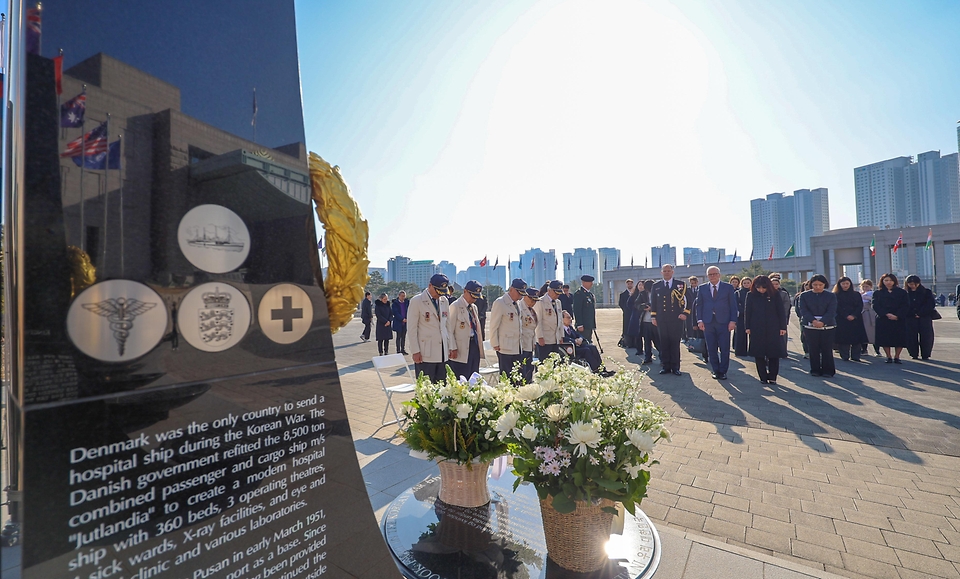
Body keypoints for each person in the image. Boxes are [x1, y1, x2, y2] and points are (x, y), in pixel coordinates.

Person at [407, 273, 452, 382]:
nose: (439, 294)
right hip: (425, 352)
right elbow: (412, 329)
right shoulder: (417, 301)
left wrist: (451, 346)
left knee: (442, 387)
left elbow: (448, 325)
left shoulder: (444, 300)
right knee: (426, 389)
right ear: (430, 286)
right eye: (437, 291)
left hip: (442, 351)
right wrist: (415, 351)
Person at [696, 266, 738, 380]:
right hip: (708, 322)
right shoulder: (702, 288)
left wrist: (733, 321)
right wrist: (699, 321)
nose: (712, 276)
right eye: (710, 274)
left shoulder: (728, 287)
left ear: (719, 275)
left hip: (724, 322)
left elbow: (733, 306)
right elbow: (699, 305)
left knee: (724, 348)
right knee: (711, 348)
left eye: (714, 274)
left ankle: (723, 371)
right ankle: (715, 370)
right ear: (707, 276)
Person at [651, 264, 693, 376]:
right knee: (664, 343)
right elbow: (654, 303)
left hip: (676, 319)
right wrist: (653, 317)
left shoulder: (680, 285)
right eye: (664, 271)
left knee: (675, 343)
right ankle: (665, 366)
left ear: (672, 272)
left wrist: (685, 313)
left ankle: (675, 367)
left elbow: (689, 300)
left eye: (669, 271)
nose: (667, 273)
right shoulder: (656, 286)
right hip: (661, 319)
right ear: (661, 273)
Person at [744, 275, 787, 384]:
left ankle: (772, 376)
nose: (761, 290)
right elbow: (747, 312)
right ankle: (763, 376)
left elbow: (781, 312)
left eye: (764, 288)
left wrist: (783, 327)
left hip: (773, 327)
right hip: (756, 328)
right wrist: (747, 327)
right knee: (759, 353)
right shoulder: (751, 295)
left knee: (773, 353)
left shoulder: (775, 294)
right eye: (759, 288)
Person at [798, 274, 838, 377]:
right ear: (811, 284)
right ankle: (815, 369)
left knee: (826, 348)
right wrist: (813, 321)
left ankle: (828, 371)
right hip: (810, 326)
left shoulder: (831, 296)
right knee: (813, 348)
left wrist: (823, 321)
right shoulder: (804, 295)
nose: (818, 287)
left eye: (820, 285)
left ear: (825, 284)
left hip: (828, 326)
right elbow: (803, 310)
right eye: (815, 285)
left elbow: (832, 311)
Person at [489, 278, 527, 382]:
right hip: (505, 346)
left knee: (518, 377)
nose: (520, 296)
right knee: (507, 377)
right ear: (511, 289)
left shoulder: (518, 303)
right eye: (519, 293)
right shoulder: (500, 302)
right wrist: (494, 343)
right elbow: (493, 325)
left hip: (517, 346)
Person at [447, 280, 485, 379]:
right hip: (460, 348)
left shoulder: (473, 307)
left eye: (476, 296)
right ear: (465, 291)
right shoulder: (455, 306)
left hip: (474, 345)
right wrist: (452, 347)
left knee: (474, 377)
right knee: (462, 378)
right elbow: (449, 330)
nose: (474, 299)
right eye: (472, 296)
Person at [561, 311, 611, 376]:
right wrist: (574, 341)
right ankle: (595, 370)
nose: (570, 319)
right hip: (571, 348)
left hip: (578, 345)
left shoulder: (570, 327)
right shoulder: (560, 329)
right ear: (562, 319)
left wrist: (580, 339)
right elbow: (564, 338)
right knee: (586, 350)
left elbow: (578, 334)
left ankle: (602, 369)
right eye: (568, 318)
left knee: (592, 347)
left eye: (570, 317)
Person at [873, 273, 909, 364]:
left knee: (899, 339)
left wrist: (897, 315)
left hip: (898, 319)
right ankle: (888, 356)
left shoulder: (902, 292)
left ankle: (897, 356)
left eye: (890, 280)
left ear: (894, 281)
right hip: (883, 318)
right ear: (882, 281)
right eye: (886, 280)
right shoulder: (877, 293)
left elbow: (905, 305)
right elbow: (875, 305)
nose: (888, 282)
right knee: (885, 339)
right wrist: (886, 314)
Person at [833, 276, 868, 362]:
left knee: (857, 338)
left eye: (847, 283)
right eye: (843, 283)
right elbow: (836, 307)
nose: (845, 285)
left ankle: (856, 356)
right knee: (843, 339)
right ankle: (845, 356)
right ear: (839, 284)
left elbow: (860, 306)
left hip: (856, 319)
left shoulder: (856, 294)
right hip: (842, 319)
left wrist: (854, 315)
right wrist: (846, 315)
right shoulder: (835, 295)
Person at [904, 275, 936, 360]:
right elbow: (903, 305)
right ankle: (913, 353)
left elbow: (930, 304)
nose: (912, 286)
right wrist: (912, 313)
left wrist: (920, 313)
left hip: (924, 317)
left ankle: (926, 354)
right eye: (910, 284)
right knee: (910, 336)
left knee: (926, 336)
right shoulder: (905, 293)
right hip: (910, 317)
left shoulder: (926, 292)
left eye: (915, 284)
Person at [534, 280, 565, 360]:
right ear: (549, 290)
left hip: (556, 338)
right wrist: (539, 337)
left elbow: (560, 320)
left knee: (555, 362)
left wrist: (561, 335)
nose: (557, 295)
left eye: (559, 293)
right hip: (545, 338)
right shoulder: (540, 302)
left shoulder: (558, 302)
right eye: (556, 292)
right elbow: (538, 321)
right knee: (544, 362)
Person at [519, 288, 541, 383]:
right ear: (525, 296)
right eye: (532, 299)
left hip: (530, 343)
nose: (533, 302)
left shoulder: (531, 309)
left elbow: (533, 328)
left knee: (529, 368)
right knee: (523, 369)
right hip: (522, 343)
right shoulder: (520, 307)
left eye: (535, 300)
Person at [769, 274, 792, 358]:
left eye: (776, 284)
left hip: (781, 317)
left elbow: (787, 304)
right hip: (770, 318)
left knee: (783, 335)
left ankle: (783, 351)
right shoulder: (767, 293)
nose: (775, 286)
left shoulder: (783, 293)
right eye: (773, 284)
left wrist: (782, 314)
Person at [572, 275, 597, 343]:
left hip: (589, 324)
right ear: (583, 282)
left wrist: (592, 324)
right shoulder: (579, 294)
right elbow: (577, 310)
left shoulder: (590, 294)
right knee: (583, 342)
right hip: (583, 325)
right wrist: (579, 324)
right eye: (589, 282)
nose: (591, 283)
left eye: (592, 282)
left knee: (588, 341)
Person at [639, 280, 657, 364]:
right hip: (645, 321)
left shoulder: (657, 294)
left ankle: (663, 358)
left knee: (658, 341)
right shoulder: (642, 294)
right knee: (647, 341)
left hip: (656, 321)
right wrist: (643, 306)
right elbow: (636, 304)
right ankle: (647, 357)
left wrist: (651, 307)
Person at [733, 277, 752, 357]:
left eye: (748, 283)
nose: (746, 284)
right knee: (740, 334)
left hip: (752, 316)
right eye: (744, 283)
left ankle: (752, 351)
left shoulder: (753, 292)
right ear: (742, 284)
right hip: (741, 316)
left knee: (753, 335)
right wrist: (743, 311)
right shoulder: (738, 293)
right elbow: (735, 304)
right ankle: (740, 351)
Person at [860, 280, 878, 356]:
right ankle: (864, 349)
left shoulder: (873, 293)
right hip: (862, 314)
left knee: (874, 332)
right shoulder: (860, 294)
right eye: (863, 286)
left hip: (871, 314)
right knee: (863, 332)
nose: (865, 288)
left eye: (867, 286)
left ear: (871, 286)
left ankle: (877, 350)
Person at [794, 280, 812, 359]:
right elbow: (798, 309)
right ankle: (807, 352)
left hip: (816, 320)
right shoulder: (800, 296)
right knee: (804, 336)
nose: (807, 287)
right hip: (804, 319)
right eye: (806, 285)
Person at [619, 279, 635, 348]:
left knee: (634, 328)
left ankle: (635, 343)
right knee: (626, 328)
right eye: (628, 284)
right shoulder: (623, 294)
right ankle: (628, 343)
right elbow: (621, 303)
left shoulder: (636, 294)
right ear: (626, 285)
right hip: (626, 314)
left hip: (634, 314)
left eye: (631, 284)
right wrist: (625, 310)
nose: (630, 285)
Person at [685, 275, 701, 342]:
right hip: (689, 309)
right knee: (689, 324)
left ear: (697, 282)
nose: (693, 284)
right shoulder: (687, 290)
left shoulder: (700, 289)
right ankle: (689, 338)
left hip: (698, 308)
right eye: (692, 283)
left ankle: (698, 338)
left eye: (694, 283)